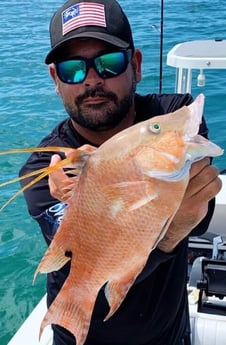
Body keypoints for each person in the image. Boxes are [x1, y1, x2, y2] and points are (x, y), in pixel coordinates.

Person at [19, 0, 222, 344]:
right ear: (56, 80)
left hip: (168, 334)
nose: (92, 81)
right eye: (72, 70)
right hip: (82, 333)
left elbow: (199, 217)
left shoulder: (173, 116)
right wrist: (171, 231)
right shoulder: (46, 169)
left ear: (136, 65)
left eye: (109, 63)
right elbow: (82, 263)